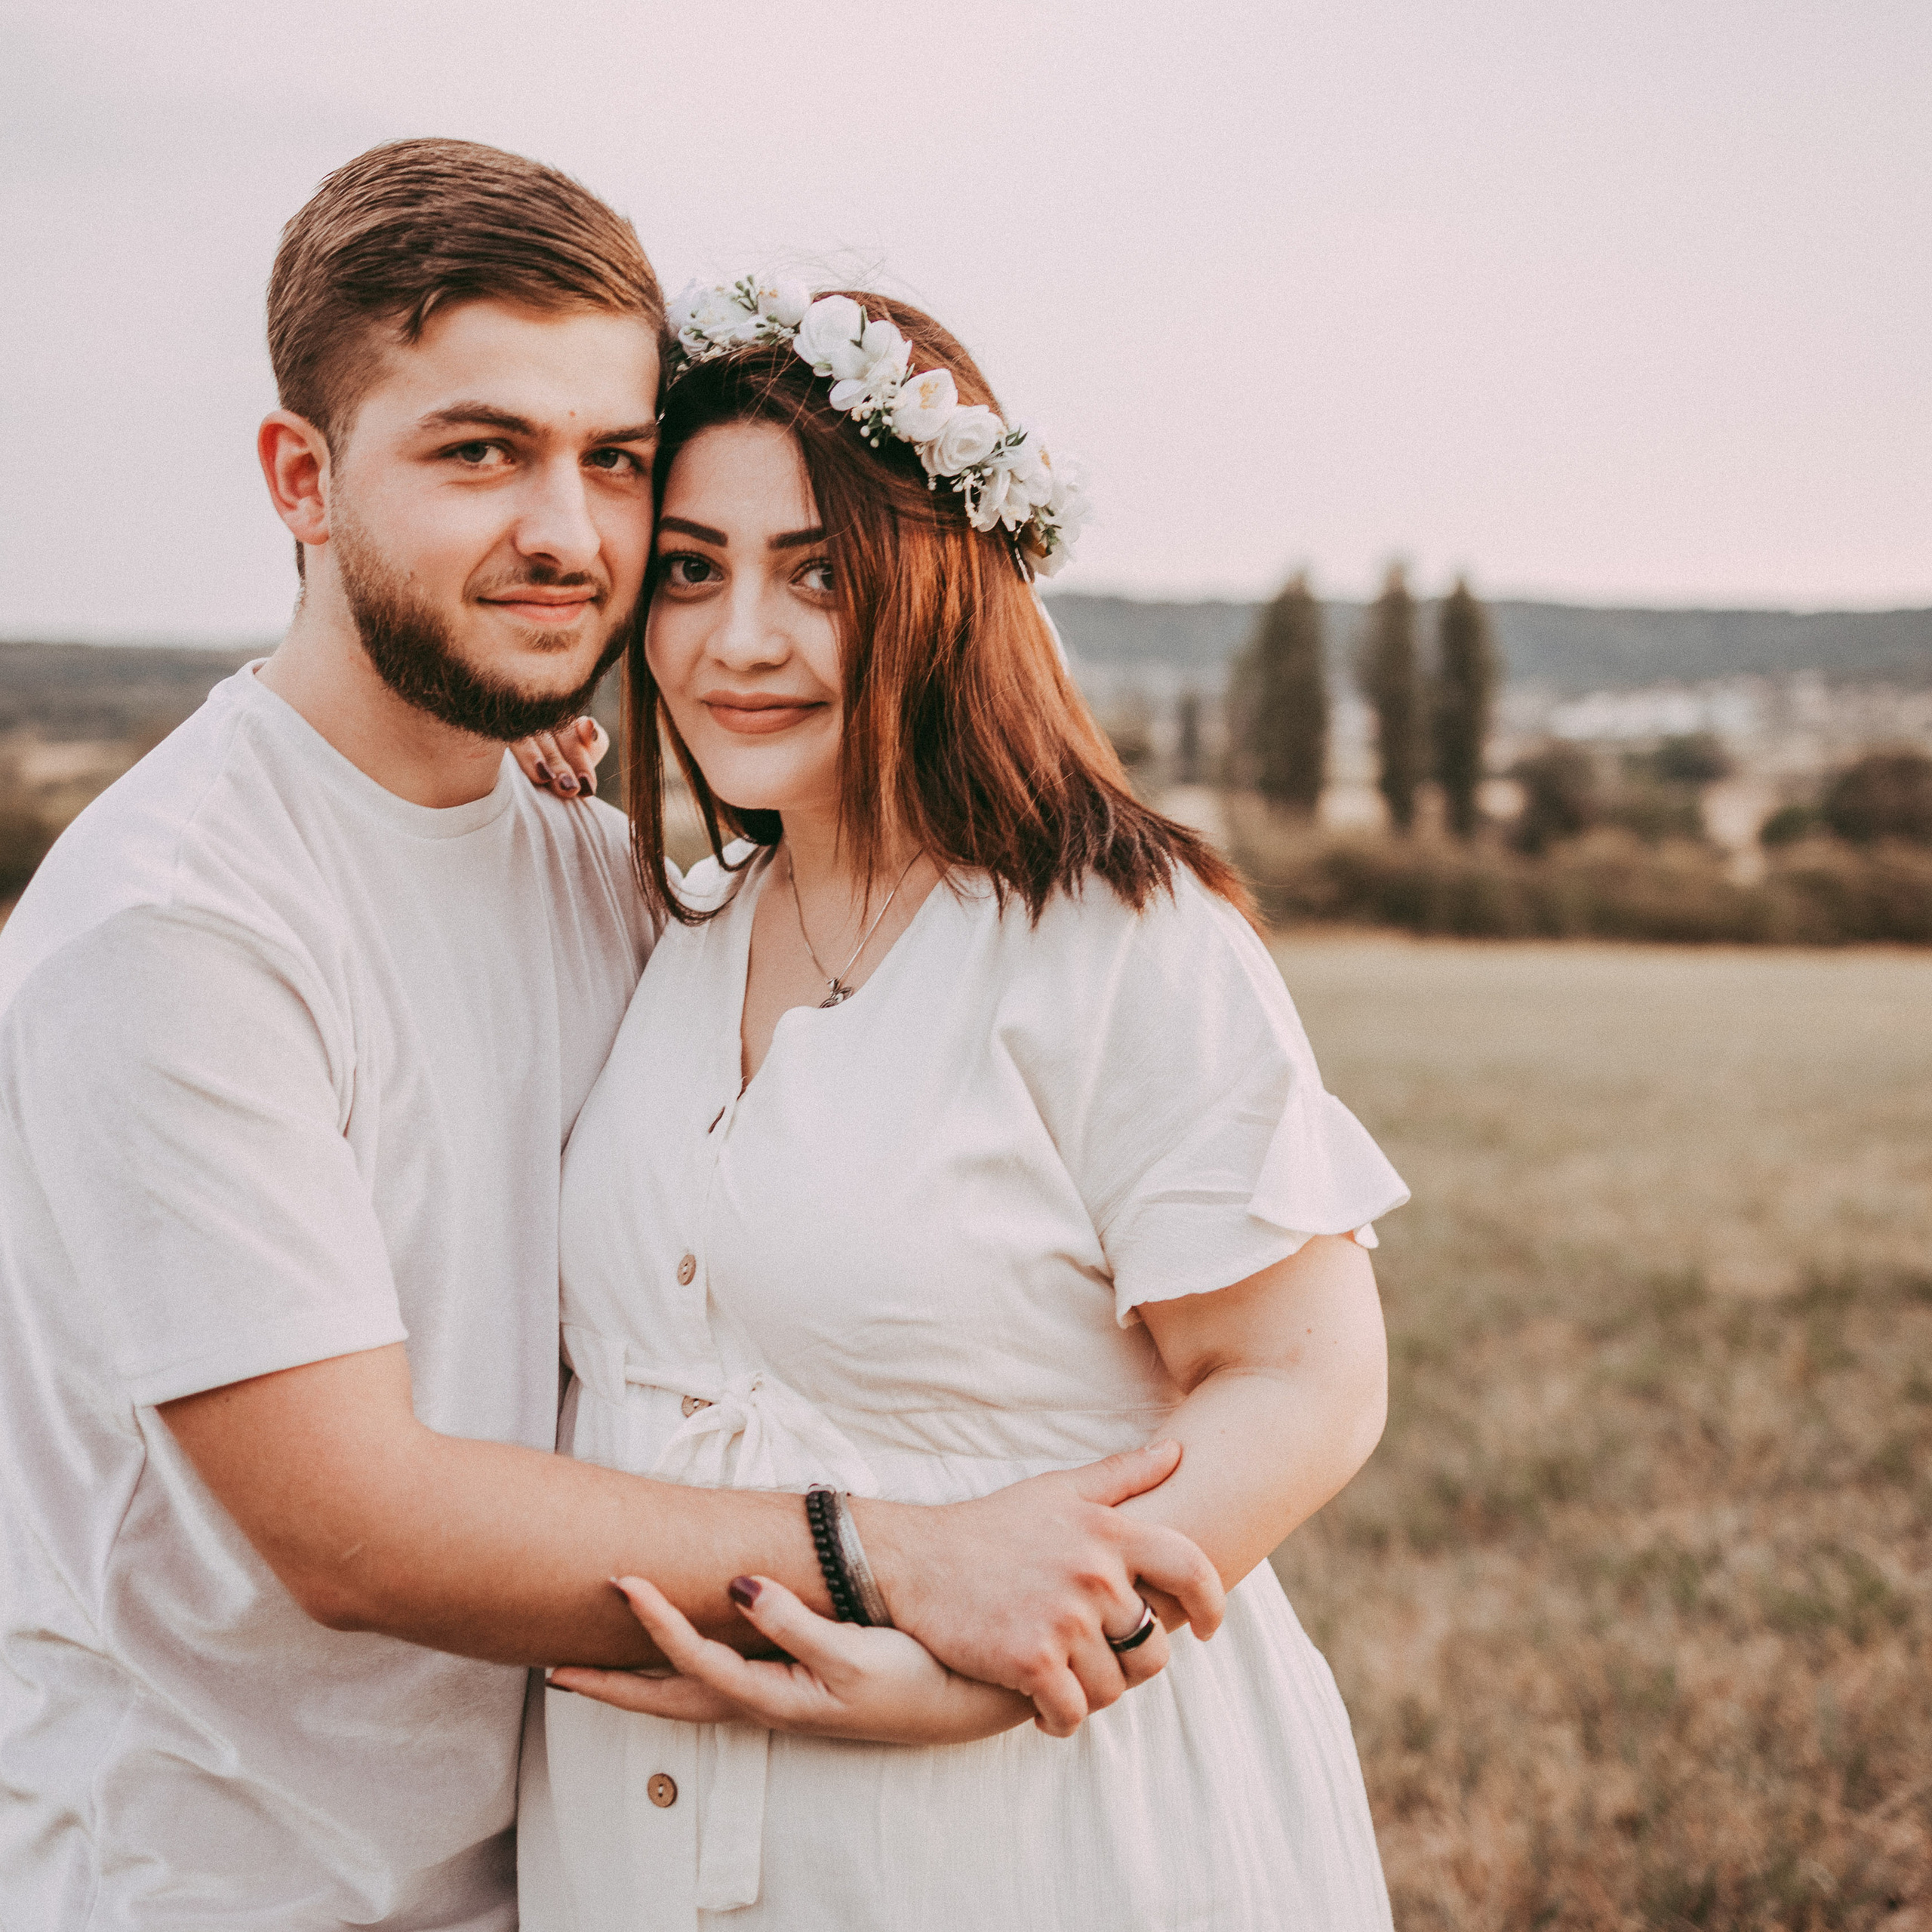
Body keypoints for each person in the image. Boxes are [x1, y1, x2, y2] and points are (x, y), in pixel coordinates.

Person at [0, 145, 1222, 1932]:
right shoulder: (180, 919)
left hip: (563, 1865)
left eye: (616, 459)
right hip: (221, 1875)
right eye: (480, 451)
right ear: (301, 478)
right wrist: (898, 1555)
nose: (569, 533)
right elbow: (354, 1526)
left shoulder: (597, 861)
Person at [511, 278, 1412, 1930]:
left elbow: (1302, 1371)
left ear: (938, 581)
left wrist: (1006, 1672)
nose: (738, 640)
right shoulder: (673, 924)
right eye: (691, 569)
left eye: (818, 573)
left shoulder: (1118, 940)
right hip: (643, 1852)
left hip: (1034, 1833)